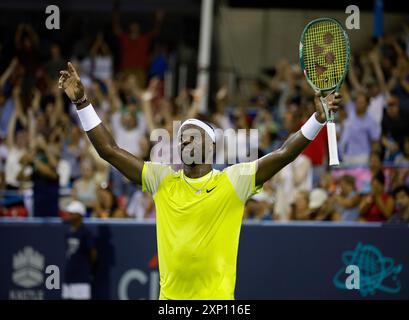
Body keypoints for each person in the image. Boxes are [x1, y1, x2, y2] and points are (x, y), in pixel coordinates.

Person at [59, 62, 341, 300]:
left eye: (193, 136)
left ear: (210, 146)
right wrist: (82, 103)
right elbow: (109, 151)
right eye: (182, 138)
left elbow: (283, 154)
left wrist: (317, 119)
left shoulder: (234, 181)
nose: (185, 141)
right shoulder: (161, 179)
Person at [62, 200, 97, 300]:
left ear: (79, 215)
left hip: (81, 278)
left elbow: (93, 254)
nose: (69, 215)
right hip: (69, 277)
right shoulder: (68, 233)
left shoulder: (86, 233)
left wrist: (86, 269)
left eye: (72, 213)